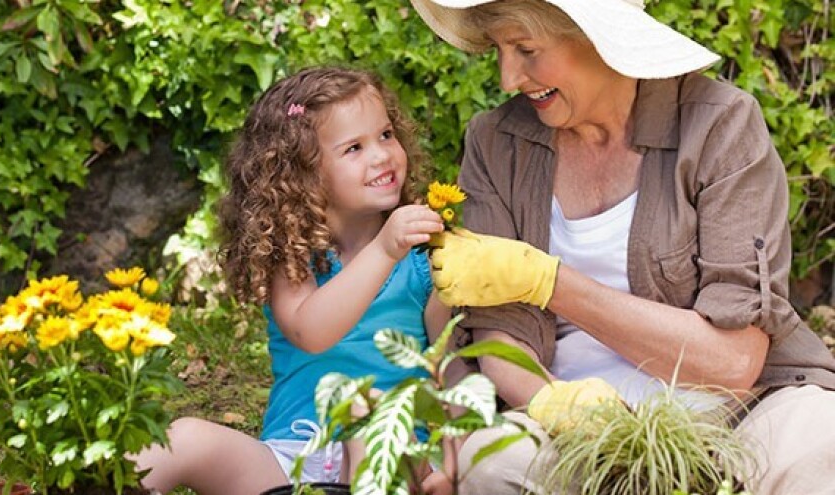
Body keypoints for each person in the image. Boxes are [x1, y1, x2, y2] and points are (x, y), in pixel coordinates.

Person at [409, 0, 835, 494]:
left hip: (734, 411)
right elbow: (503, 341)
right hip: (570, 427)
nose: (508, 78)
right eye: (500, 51)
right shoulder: (496, 142)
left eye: (526, 49)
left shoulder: (720, 125)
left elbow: (733, 363)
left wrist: (550, 282)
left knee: (818, 442)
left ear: (598, 38)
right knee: (495, 465)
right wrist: (570, 414)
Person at [134, 66, 456, 495]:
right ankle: (91, 483)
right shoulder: (294, 255)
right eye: (354, 148)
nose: (382, 155)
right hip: (292, 459)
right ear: (304, 173)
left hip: (392, 456)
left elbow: (449, 371)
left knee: (368, 416)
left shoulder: (423, 257)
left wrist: (448, 467)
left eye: (385, 135)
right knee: (184, 438)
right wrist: (383, 251)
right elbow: (311, 331)